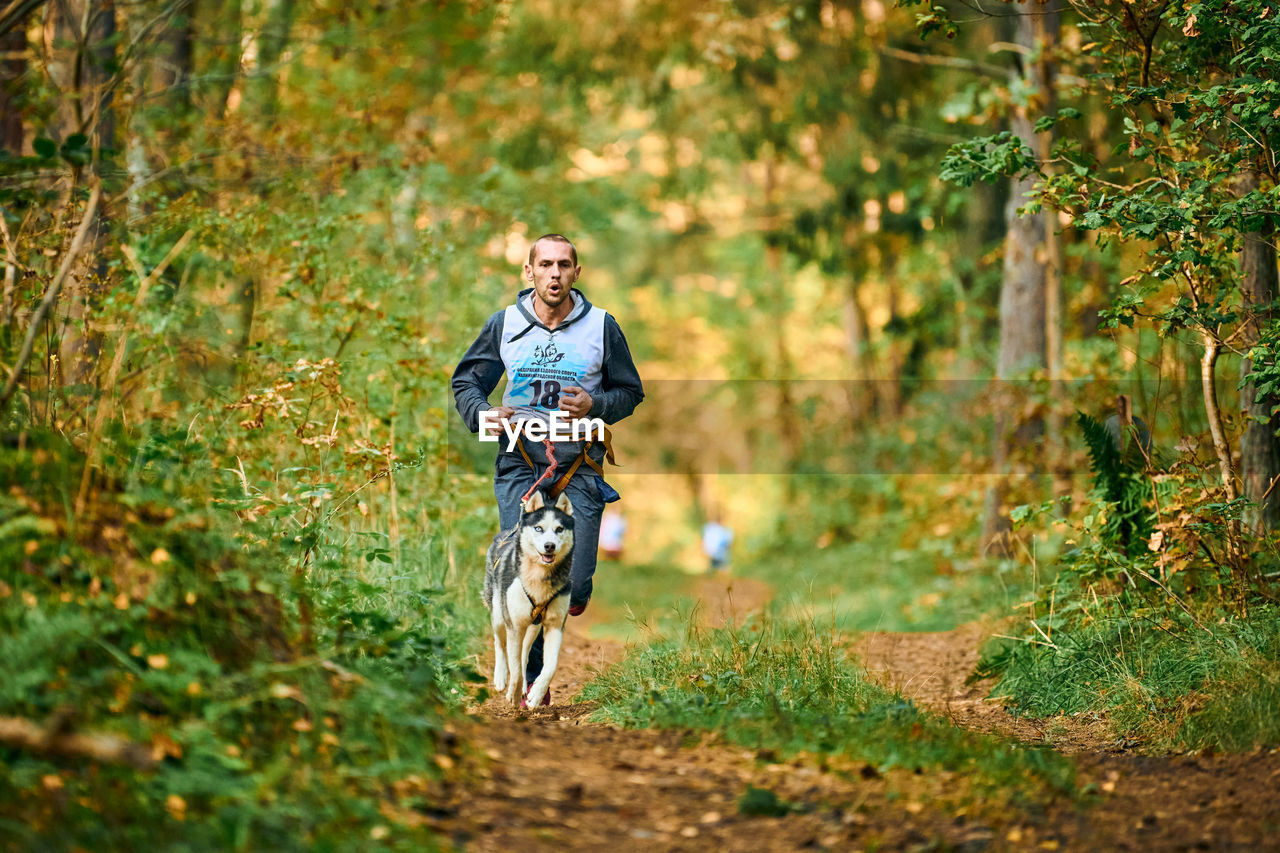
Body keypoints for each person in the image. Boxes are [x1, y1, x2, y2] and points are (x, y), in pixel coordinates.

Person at [451, 233, 644, 705]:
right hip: (520, 460)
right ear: (529, 272)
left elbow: (630, 392)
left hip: (579, 463)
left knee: (573, 579)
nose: (554, 273)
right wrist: (483, 412)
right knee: (528, 573)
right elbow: (467, 381)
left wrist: (596, 403)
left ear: (576, 272)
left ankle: (575, 591)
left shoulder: (602, 326)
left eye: (563, 265)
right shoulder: (506, 324)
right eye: (545, 265)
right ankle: (533, 685)